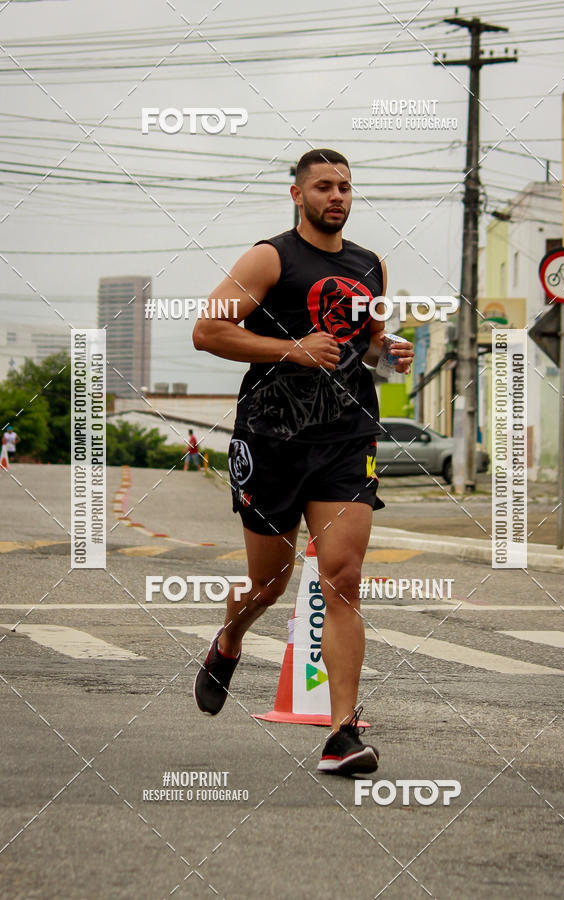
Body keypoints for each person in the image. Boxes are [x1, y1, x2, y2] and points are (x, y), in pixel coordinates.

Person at [192, 148, 413, 775]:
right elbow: (207, 331)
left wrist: (388, 352)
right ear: (298, 195)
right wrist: (291, 349)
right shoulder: (270, 258)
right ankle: (230, 639)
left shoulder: (371, 266)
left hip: (346, 439)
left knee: (343, 576)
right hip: (271, 439)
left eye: (345, 186)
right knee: (270, 583)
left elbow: (367, 345)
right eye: (323, 187)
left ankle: (342, 734)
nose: (336, 196)